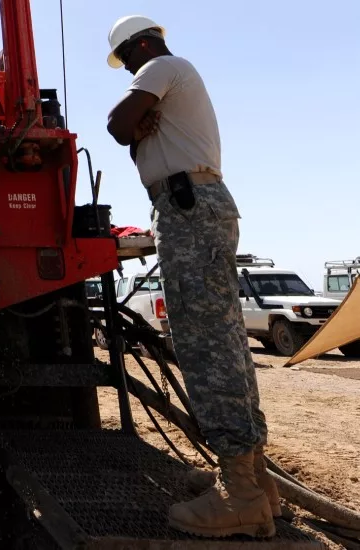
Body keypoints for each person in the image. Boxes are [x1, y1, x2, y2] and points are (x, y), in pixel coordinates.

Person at [104, 16, 279, 539]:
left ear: (140, 44)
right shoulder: (172, 78)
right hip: (194, 204)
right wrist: (139, 130)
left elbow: (117, 126)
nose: (129, 70)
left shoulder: (162, 67)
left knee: (206, 343)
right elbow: (132, 136)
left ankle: (241, 495)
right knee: (224, 338)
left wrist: (135, 123)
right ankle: (258, 483)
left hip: (187, 208)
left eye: (127, 60)